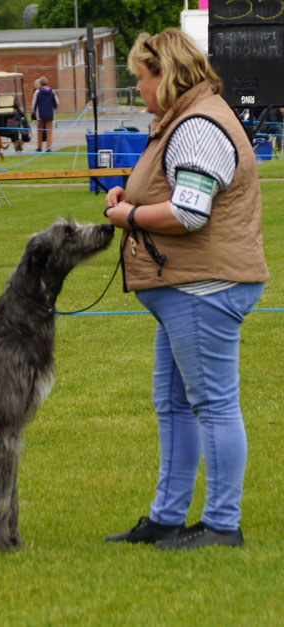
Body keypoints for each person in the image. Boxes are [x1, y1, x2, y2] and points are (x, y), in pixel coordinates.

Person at [103, 28, 269, 550]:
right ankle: (167, 518)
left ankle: (221, 525)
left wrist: (127, 213)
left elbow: (188, 212)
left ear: (166, 75)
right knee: (175, 403)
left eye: (141, 79)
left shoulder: (198, 126)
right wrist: (127, 194)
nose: (139, 90)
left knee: (212, 405)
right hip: (188, 288)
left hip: (203, 289)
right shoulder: (188, 118)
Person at [31, 76, 58, 152]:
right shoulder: (52, 91)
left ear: (40, 83)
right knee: (49, 131)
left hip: (40, 114)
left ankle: (39, 147)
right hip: (50, 114)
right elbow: (56, 102)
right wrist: (53, 108)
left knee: (40, 131)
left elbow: (34, 104)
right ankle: (48, 147)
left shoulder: (37, 92)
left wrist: (34, 111)